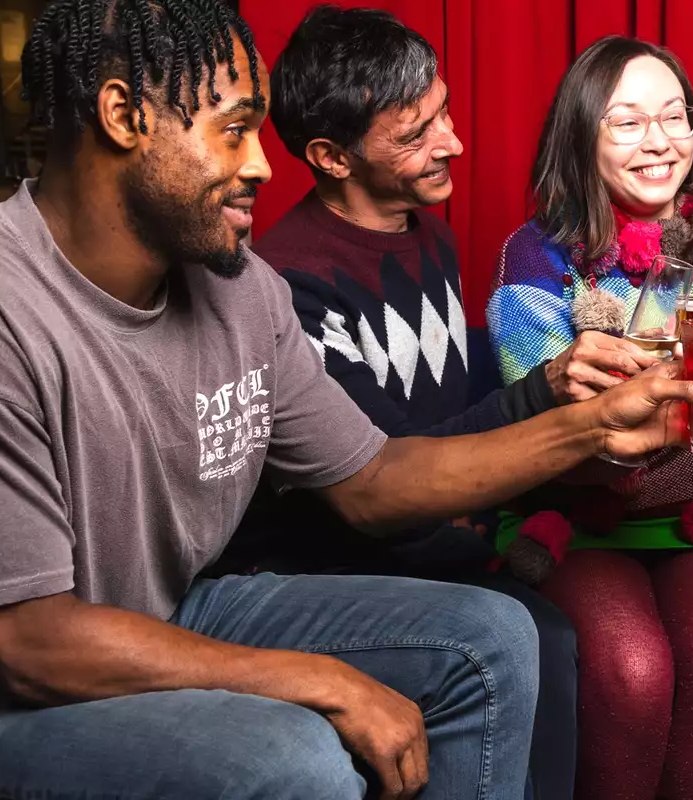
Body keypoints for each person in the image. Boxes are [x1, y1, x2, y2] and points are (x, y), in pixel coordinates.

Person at [0, 2, 693, 798]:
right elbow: (27, 644)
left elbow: (375, 481)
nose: (263, 166)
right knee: (289, 755)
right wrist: (325, 681)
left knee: (497, 636)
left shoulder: (239, 289)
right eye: (233, 131)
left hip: (173, 611)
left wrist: (586, 426)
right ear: (124, 115)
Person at [210, 8, 645, 798]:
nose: (453, 142)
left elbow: (460, 410)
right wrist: (549, 397)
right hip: (337, 567)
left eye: (443, 111)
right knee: (541, 634)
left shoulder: (429, 235)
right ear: (330, 156)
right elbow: (382, 484)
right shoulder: (290, 284)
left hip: (446, 538)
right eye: (415, 133)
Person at [485, 35, 693, 800]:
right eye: (627, 122)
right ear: (581, 136)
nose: (660, 141)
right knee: (632, 668)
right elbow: (549, 440)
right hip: (574, 513)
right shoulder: (534, 261)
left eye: (674, 117)